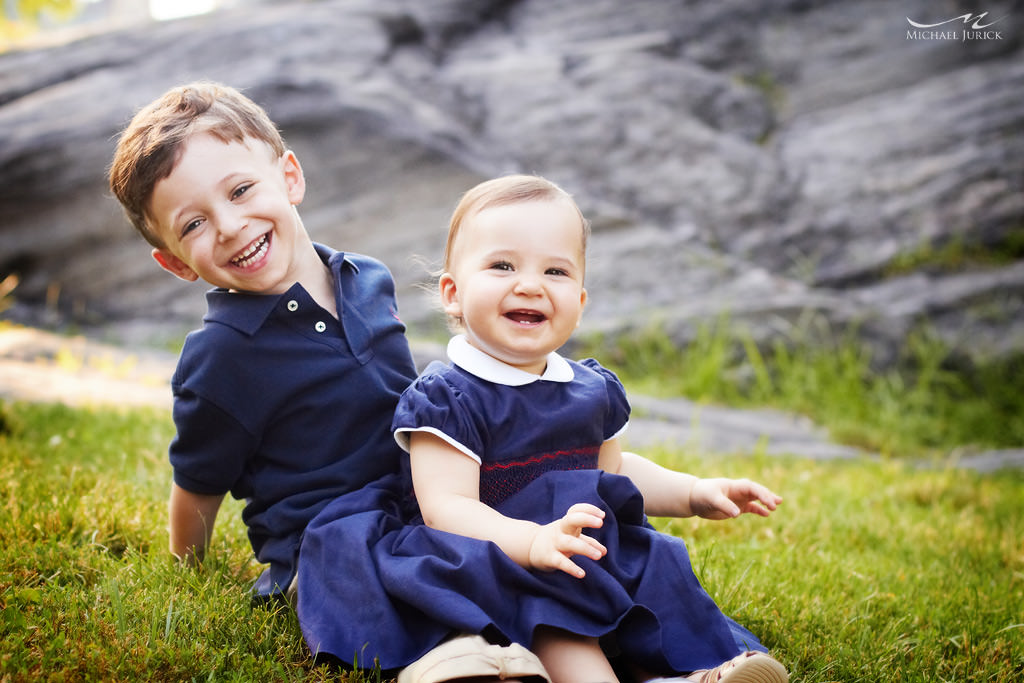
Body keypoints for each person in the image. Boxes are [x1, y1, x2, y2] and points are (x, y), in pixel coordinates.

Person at [107, 82, 551, 683]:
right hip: (329, 533)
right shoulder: (221, 356)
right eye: (194, 224)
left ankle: (672, 660)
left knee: (529, 516)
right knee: (369, 557)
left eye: (241, 190)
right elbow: (197, 484)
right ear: (177, 263)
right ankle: (446, 659)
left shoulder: (367, 278)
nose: (232, 225)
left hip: (420, 496)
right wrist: (188, 571)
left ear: (289, 175)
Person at [379, 174, 789, 683]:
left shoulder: (589, 387)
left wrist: (694, 492)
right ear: (453, 294)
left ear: (580, 299)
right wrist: (531, 543)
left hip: (582, 547)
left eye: (555, 271)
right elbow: (446, 509)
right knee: (559, 619)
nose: (529, 284)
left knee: (657, 587)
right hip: (496, 558)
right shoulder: (448, 398)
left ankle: (696, 672)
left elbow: (613, 471)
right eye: (502, 265)